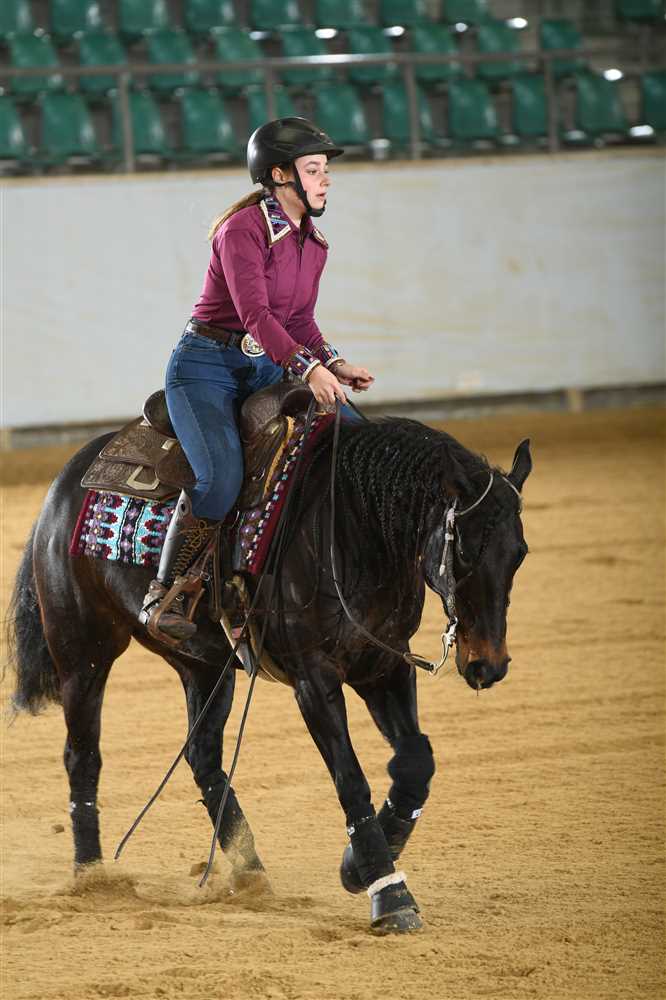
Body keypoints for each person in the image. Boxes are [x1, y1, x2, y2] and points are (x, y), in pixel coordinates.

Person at [140, 117, 375, 641]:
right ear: (279, 175)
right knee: (221, 479)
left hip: (265, 366)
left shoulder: (315, 244)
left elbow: (300, 321)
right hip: (204, 369)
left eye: (325, 169)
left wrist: (333, 363)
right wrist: (308, 369)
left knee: (334, 447)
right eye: (313, 169)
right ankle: (167, 589)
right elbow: (256, 316)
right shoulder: (241, 230)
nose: (326, 179)